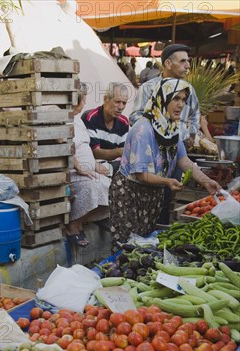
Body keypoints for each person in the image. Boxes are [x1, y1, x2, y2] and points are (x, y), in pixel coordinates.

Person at [109, 78, 221, 253]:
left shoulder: (171, 127)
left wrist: (206, 181)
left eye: (183, 100)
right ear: (162, 99)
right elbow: (142, 174)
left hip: (152, 193)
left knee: (144, 245)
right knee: (126, 248)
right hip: (130, 194)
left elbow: (183, 160)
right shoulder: (143, 130)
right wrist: (168, 182)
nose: (181, 104)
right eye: (175, 99)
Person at [129, 43, 200, 224]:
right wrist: (159, 131)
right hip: (151, 154)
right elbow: (135, 117)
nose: (187, 65)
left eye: (188, 61)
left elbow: (195, 115)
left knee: (167, 195)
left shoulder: (188, 89)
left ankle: (158, 231)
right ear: (168, 63)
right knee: (148, 194)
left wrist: (190, 134)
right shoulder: (148, 88)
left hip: (176, 152)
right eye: (182, 61)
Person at [66, 84, 111, 248]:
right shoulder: (62, 119)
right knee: (93, 186)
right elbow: (64, 147)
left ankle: (84, 220)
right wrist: (78, 166)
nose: (85, 103)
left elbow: (85, 146)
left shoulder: (77, 120)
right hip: (72, 171)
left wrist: (95, 165)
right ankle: (73, 226)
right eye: (84, 99)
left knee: (110, 185)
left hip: (87, 170)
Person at [81, 82, 130, 176]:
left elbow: (123, 155)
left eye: (124, 103)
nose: (121, 107)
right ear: (105, 99)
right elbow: (95, 153)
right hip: (93, 168)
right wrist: (119, 151)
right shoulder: (90, 118)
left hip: (112, 168)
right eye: (117, 102)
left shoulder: (124, 122)